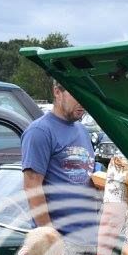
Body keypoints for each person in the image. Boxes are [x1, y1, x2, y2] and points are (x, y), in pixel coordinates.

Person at [20, 80, 98, 242]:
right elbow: (32, 187)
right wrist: (50, 239)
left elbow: (85, 177)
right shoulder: (39, 131)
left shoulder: (82, 130)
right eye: (76, 94)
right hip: (61, 240)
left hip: (88, 238)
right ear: (57, 92)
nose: (82, 102)